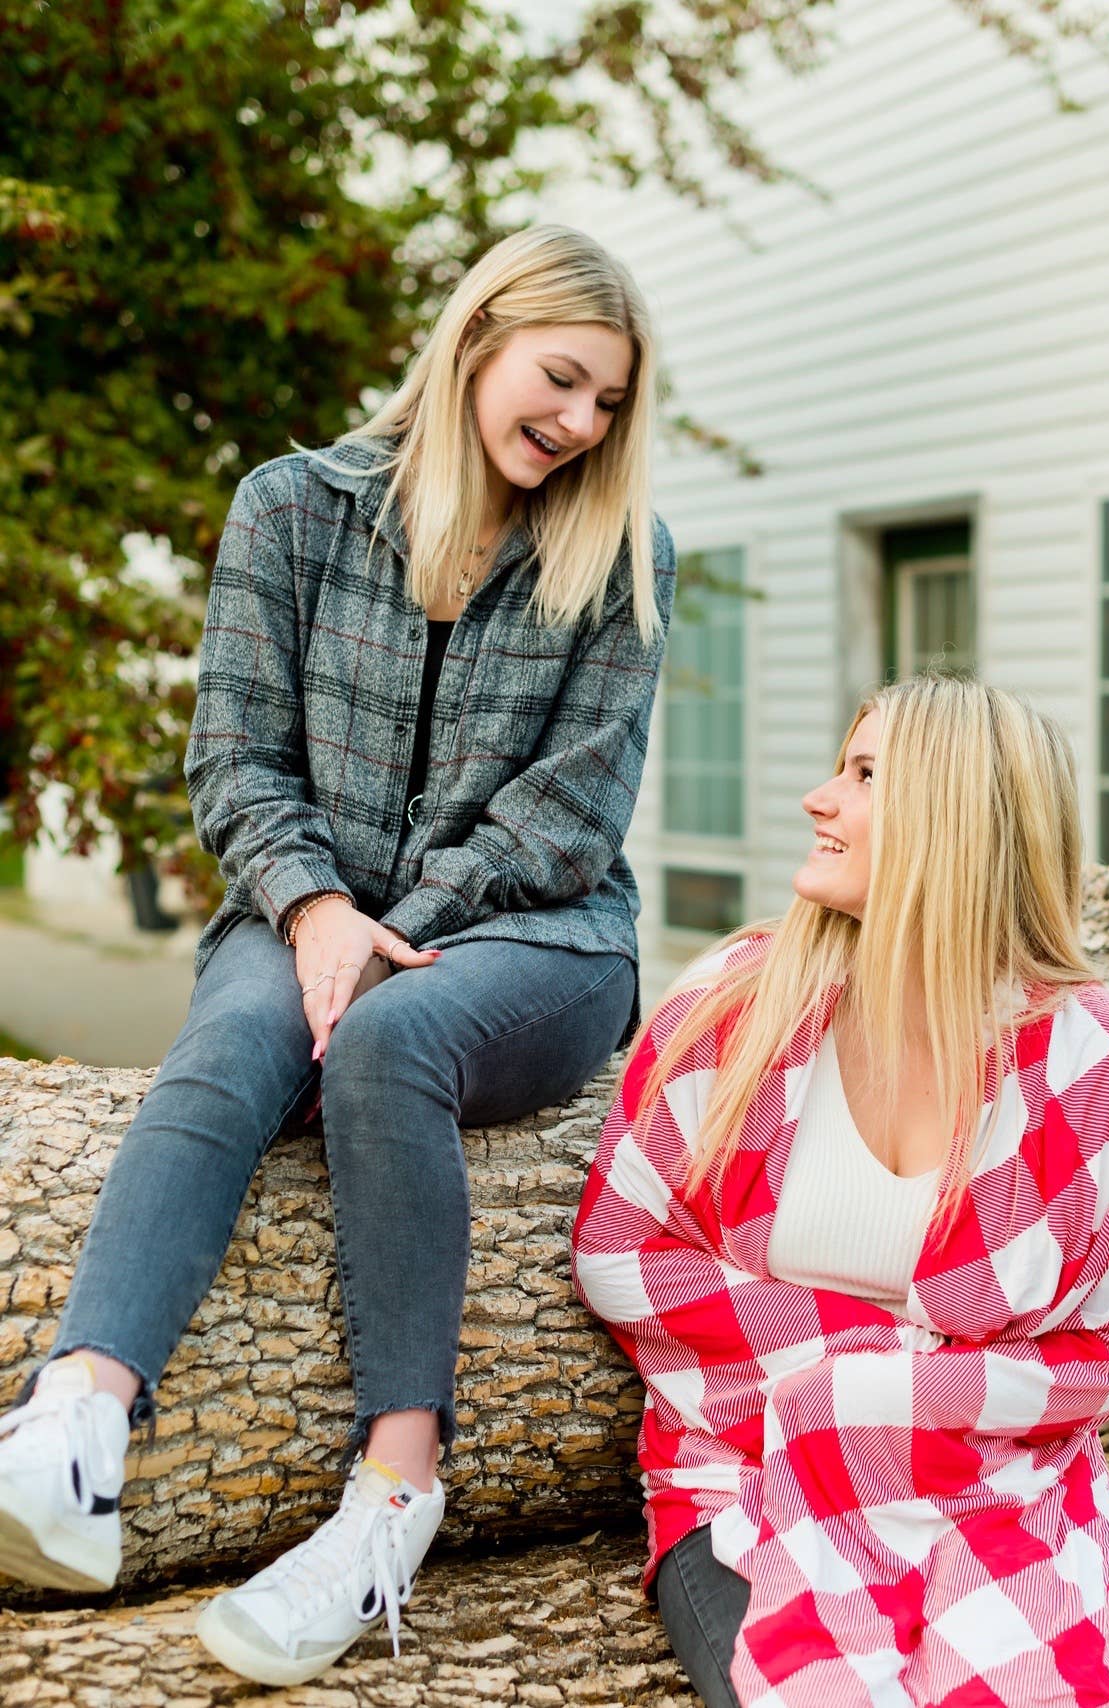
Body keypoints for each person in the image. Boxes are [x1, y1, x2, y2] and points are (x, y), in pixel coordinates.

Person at [0, 224, 675, 1685]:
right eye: (559, 381)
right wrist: (311, 909)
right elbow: (233, 756)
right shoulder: (293, 510)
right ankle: (77, 1428)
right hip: (302, 903)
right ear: (477, 334)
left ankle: (391, 1498)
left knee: (385, 1044)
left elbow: (569, 812)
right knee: (233, 1042)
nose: (577, 426)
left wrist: (390, 942)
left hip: (535, 935)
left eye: (606, 404)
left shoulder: (620, 556)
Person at [571, 676, 1109, 1708]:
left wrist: (901, 1400)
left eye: (863, 775)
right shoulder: (735, 1010)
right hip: (739, 1480)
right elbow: (621, 1250)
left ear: (950, 815)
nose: (819, 798)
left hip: (989, 1487)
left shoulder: (1106, 1074)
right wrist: (863, 1381)